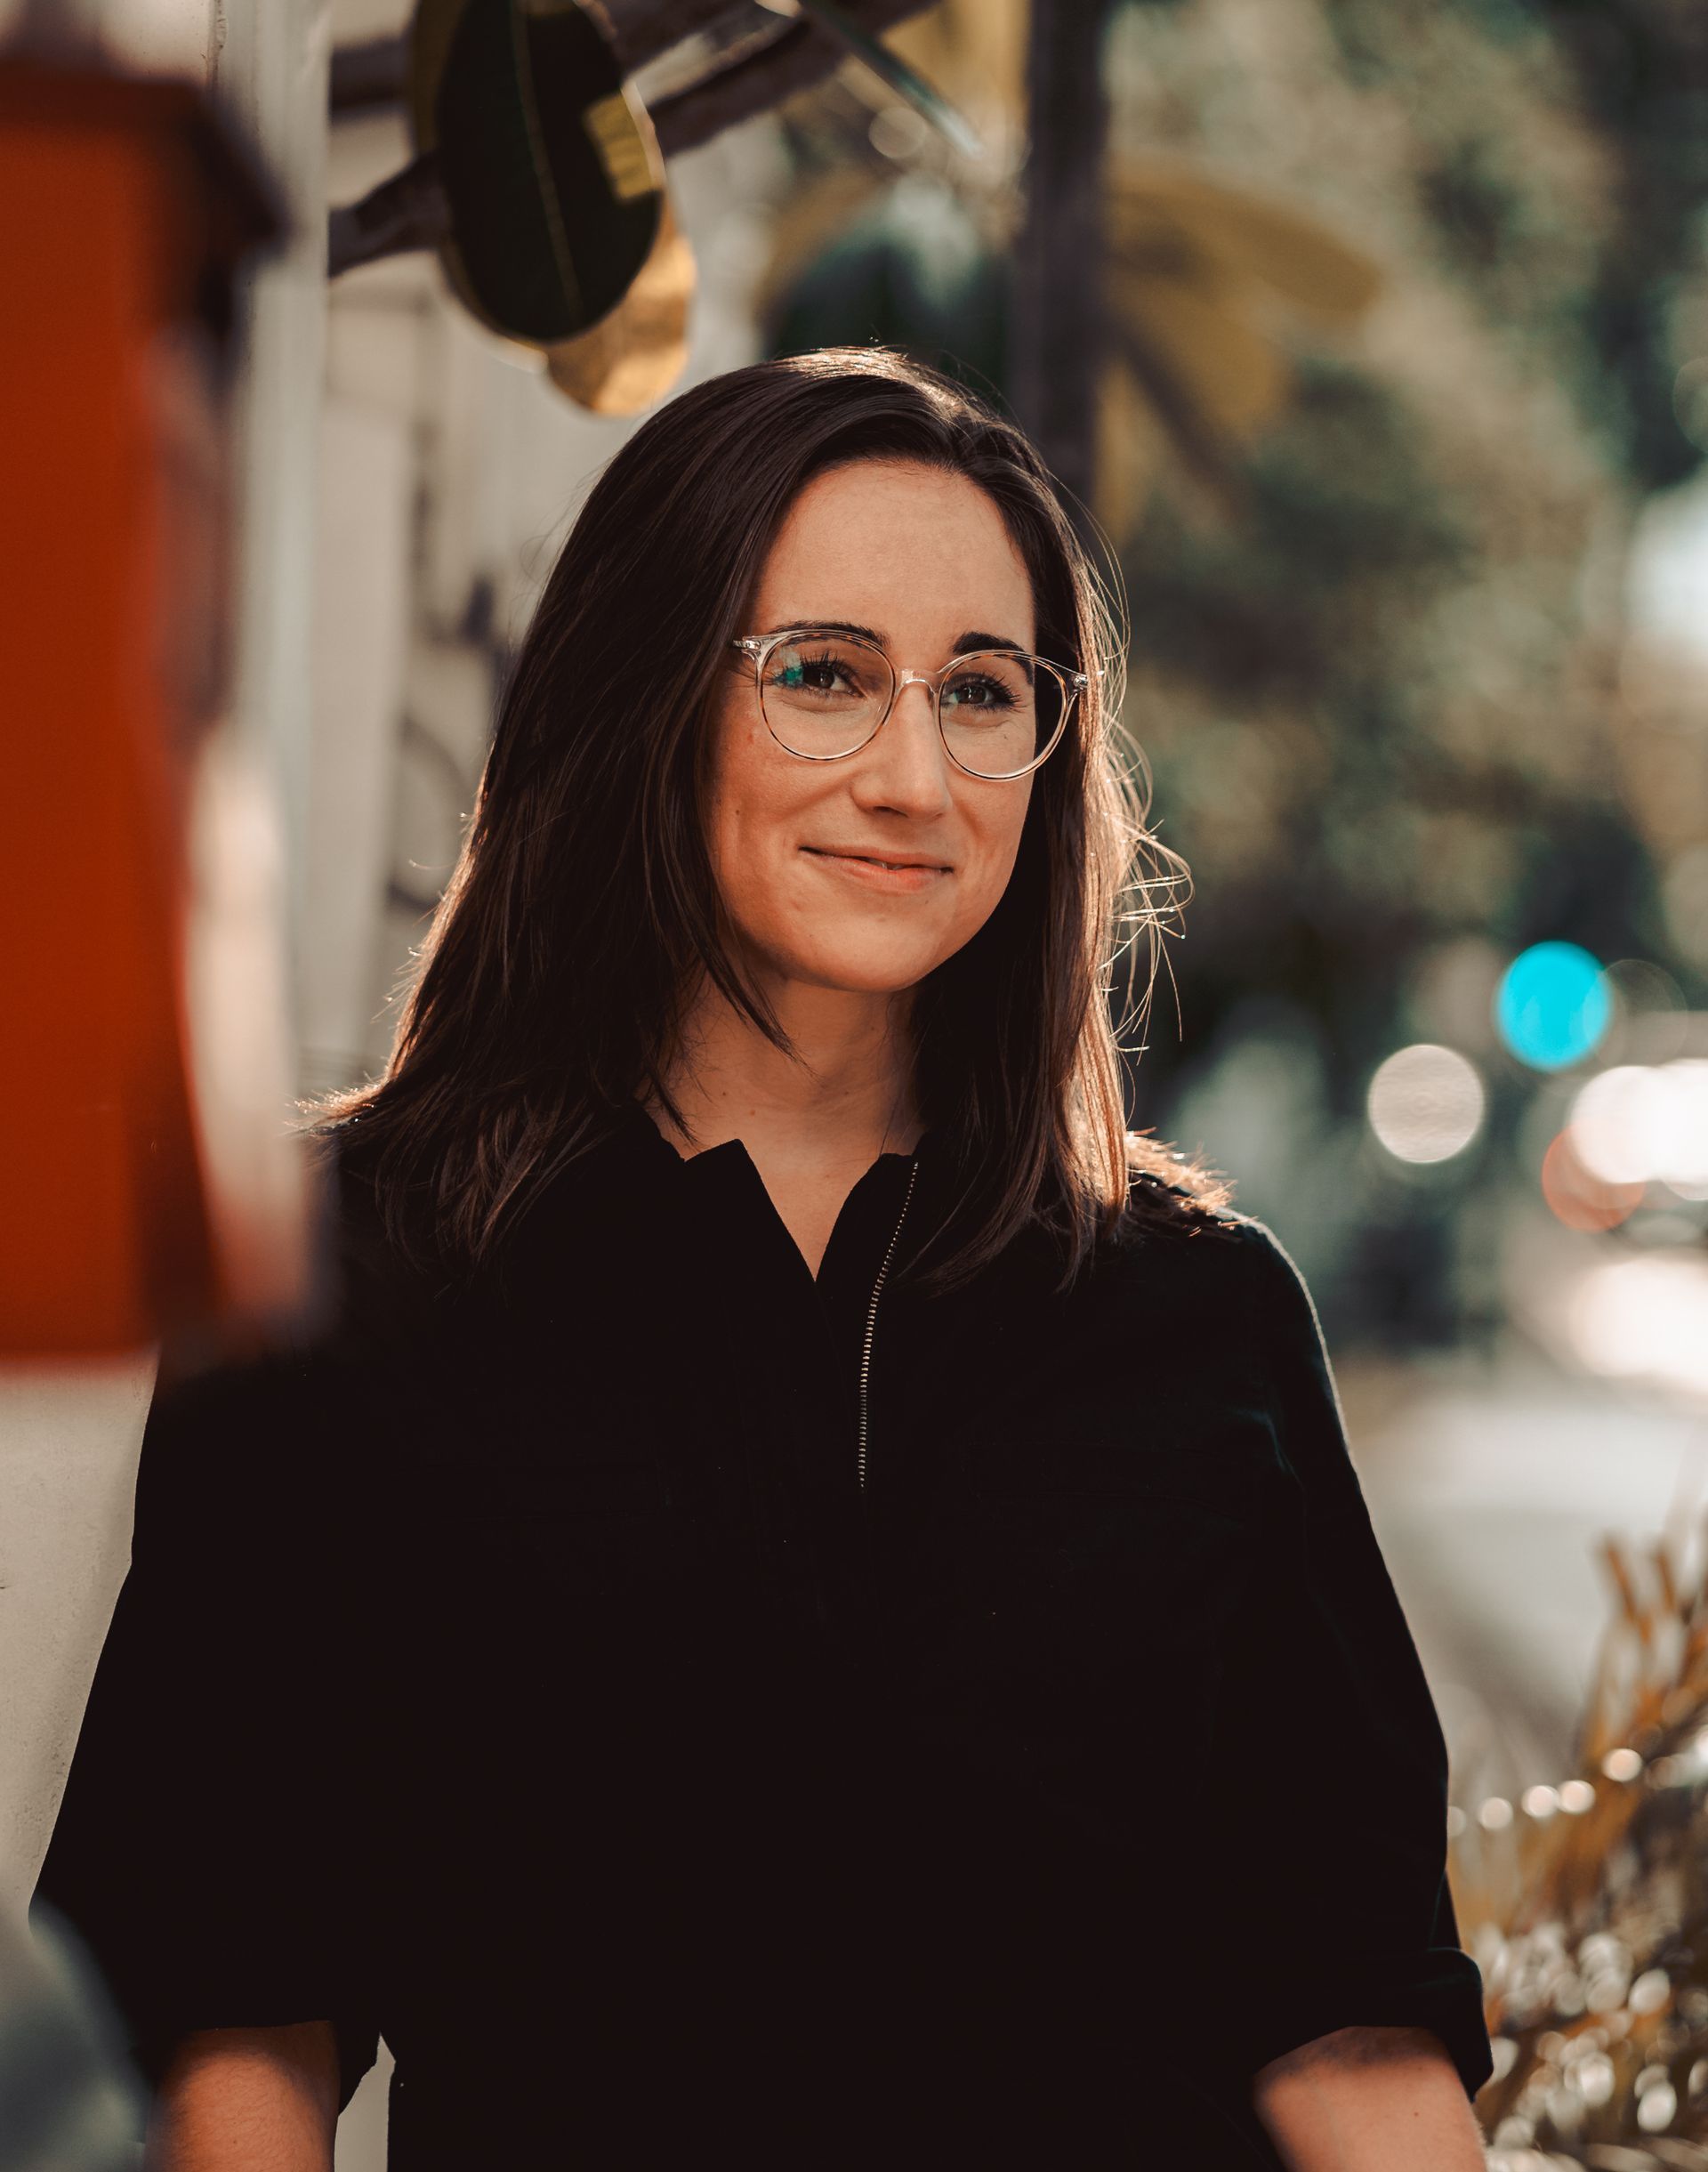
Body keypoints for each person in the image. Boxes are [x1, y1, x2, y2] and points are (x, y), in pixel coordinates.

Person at [35, 348, 1493, 2168]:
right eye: (820, 676)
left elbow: (1345, 2028)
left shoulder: (1197, 1314)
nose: (913, 773)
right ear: (642, 697)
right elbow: (233, 1997)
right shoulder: (343, 1273)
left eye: (984, 691)